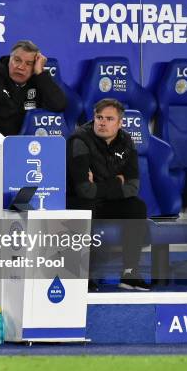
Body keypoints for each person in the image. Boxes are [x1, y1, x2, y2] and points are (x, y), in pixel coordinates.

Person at [66, 98, 150, 291]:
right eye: (99, 117)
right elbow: (84, 190)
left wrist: (100, 184)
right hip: (79, 201)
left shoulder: (127, 141)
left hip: (105, 200)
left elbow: (133, 186)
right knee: (87, 206)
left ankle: (130, 273)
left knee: (136, 206)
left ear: (120, 123)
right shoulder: (78, 140)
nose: (102, 122)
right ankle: (82, 275)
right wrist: (116, 182)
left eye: (109, 119)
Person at [0, 40, 67, 136]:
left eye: (29, 63)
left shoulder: (40, 81)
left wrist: (40, 74)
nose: (21, 67)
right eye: (17, 60)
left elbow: (59, 105)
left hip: (31, 143)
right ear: (9, 60)